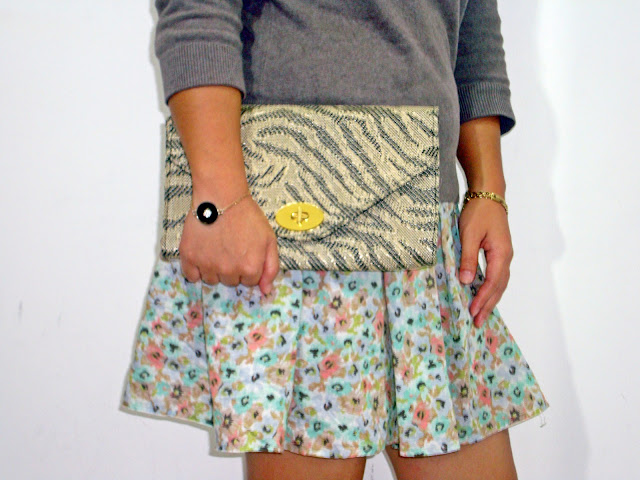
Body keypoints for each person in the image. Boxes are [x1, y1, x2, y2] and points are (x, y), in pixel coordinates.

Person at [120, 1, 549, 479]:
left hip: (428, 230)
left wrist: (488, 190)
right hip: (298, 239)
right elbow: (198, 9)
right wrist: (220, 200)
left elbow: (474, 30)